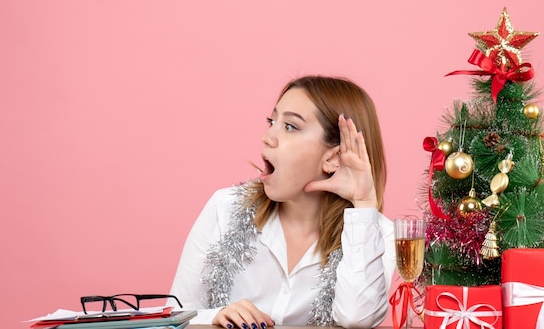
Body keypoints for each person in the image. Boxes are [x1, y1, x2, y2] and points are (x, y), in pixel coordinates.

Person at [168, 75, 395, 328]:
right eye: (271, 121)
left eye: (290, 126)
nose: (267, 137)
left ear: (332, 158)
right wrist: (215, 317)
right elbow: (176, 315)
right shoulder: (225, 208)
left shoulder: (377, 233)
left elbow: (357, 319)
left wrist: (363, 203)